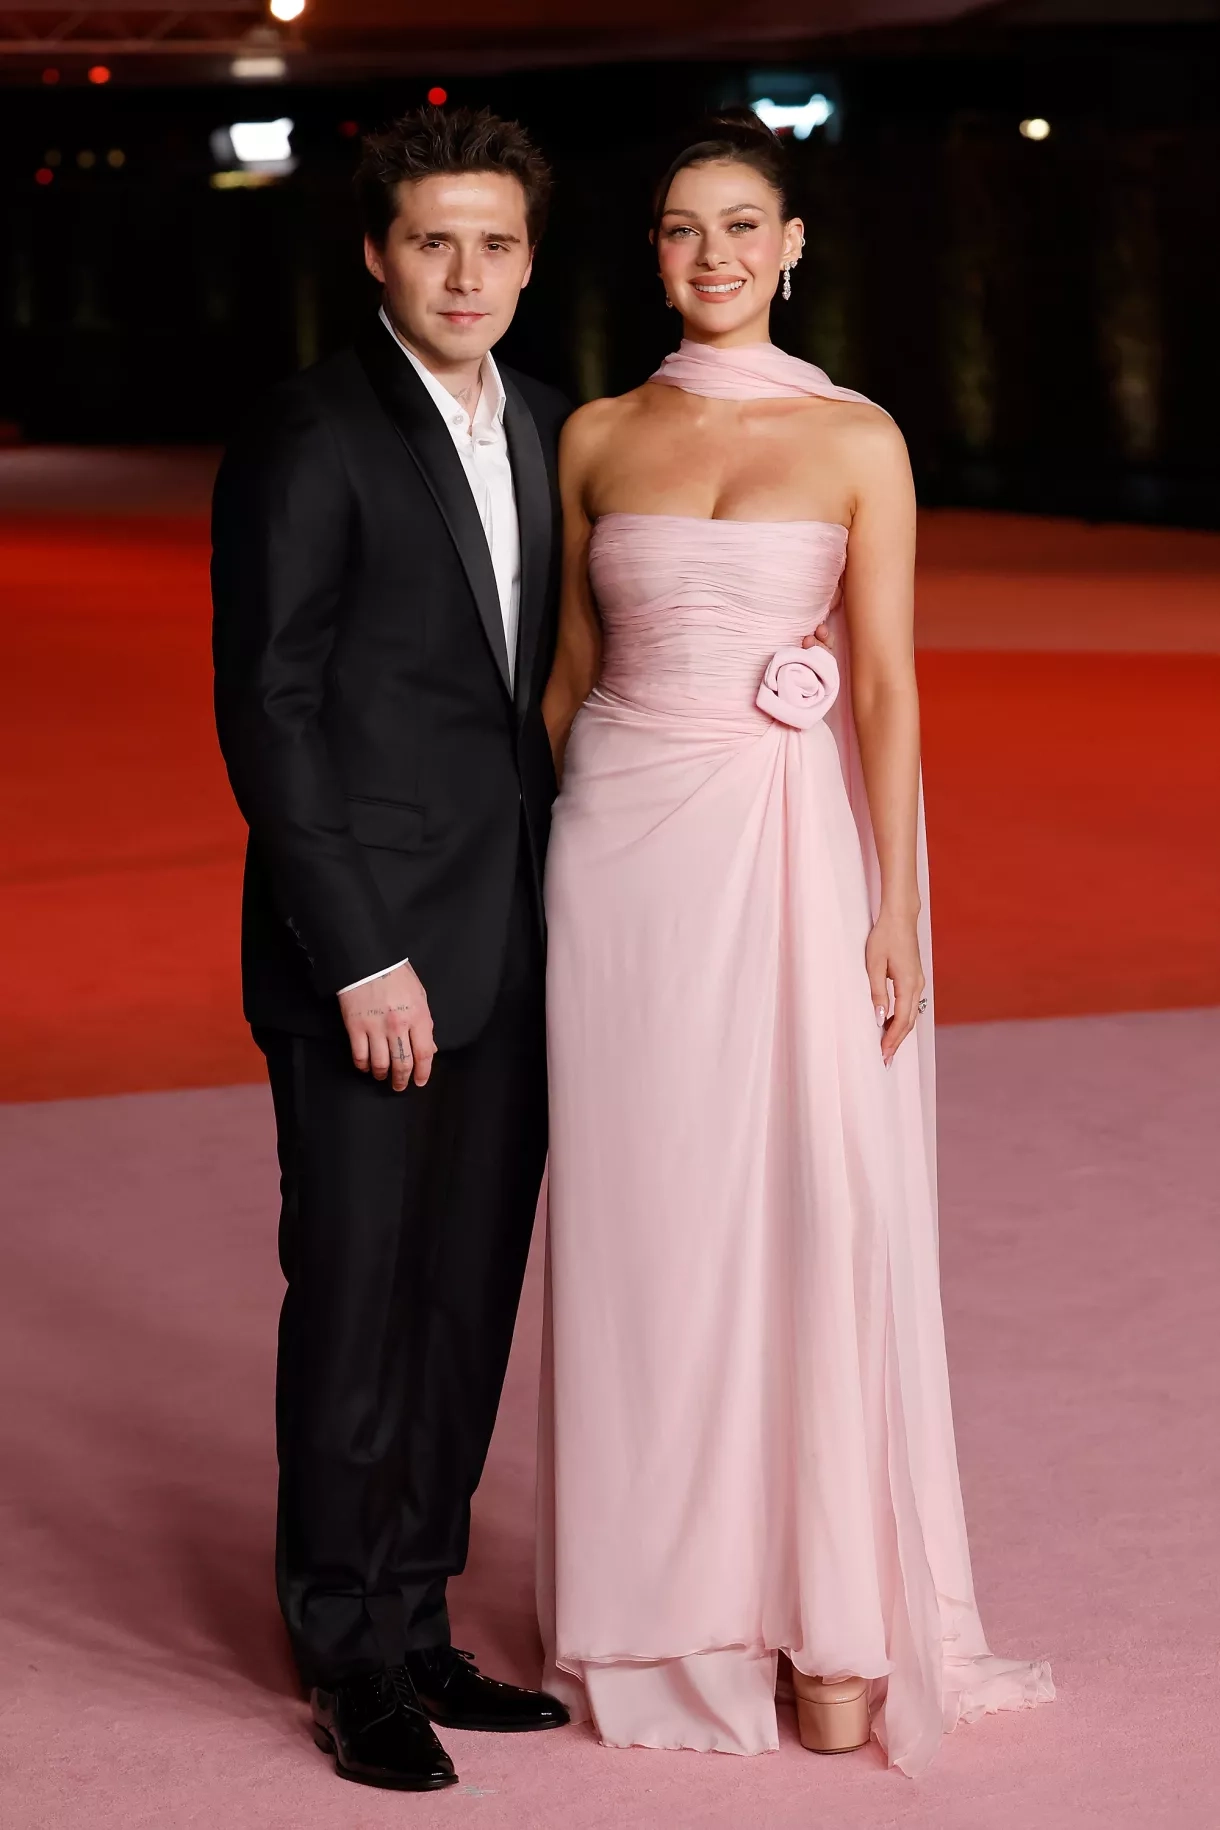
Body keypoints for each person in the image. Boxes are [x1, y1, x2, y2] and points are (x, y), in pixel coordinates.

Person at [537, 111, 1054, 1777]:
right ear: (656, 251)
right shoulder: (597, 433)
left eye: (743, 224)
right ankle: (670, 1621)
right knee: (647, 1222)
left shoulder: (856, 438)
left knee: (814, 1202)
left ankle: (831, 1616)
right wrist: (544, 854)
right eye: (685, 227)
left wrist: (895, 903)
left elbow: (887, 681)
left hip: (788, 850)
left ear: (793, 243)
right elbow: (566, 672)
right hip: (618, 859)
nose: (715, 253)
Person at [211, 105, 573, 1793]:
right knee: (358, 1299)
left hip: (516, 941)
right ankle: (346, 1653)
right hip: (365, 961)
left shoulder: (550, 423)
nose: (465, 273)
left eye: (494, 243)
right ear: (377, 253)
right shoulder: (311, 428)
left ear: (530, 258)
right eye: (434, 241)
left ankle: (421, 1613)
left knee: (465, 1302)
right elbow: (268, 707)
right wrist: (358, 953)